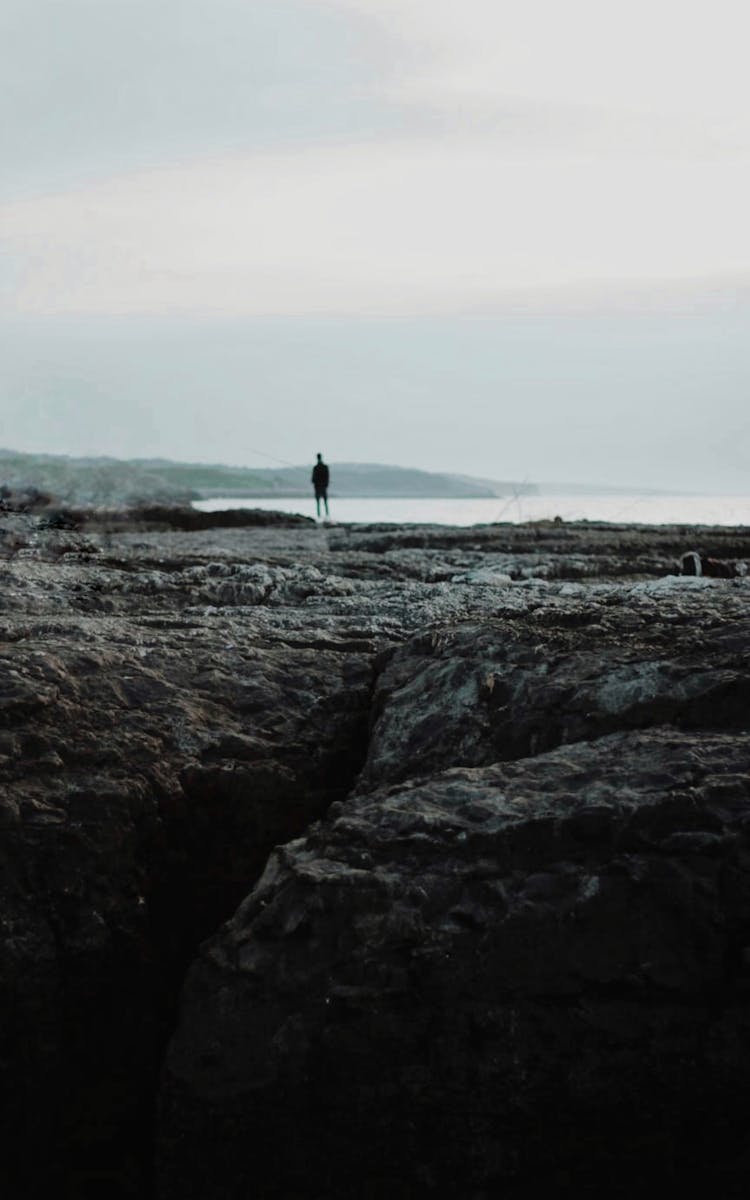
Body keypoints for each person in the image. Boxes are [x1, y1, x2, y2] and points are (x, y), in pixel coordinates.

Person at [311, 453, 330, 519]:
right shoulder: (325, 467)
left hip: (318, 487)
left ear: (317, 458)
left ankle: (319, 516)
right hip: (323, 487)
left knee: (319, 503)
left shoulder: (315, 468)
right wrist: (326, 484)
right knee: (325, 503)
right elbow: (327, 477)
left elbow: (312, 479)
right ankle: (327, 515)